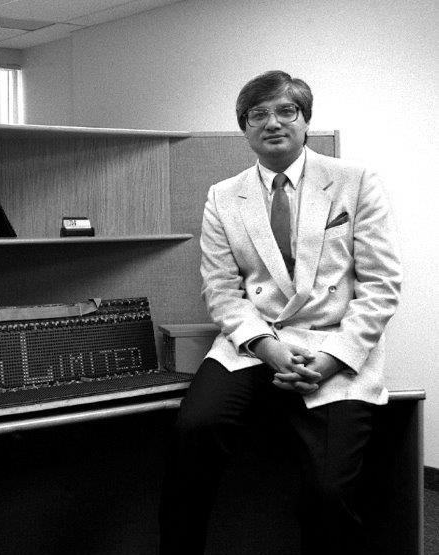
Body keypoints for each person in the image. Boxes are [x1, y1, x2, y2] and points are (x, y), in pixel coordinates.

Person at [158, 70, 402, 555]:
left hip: (333, 345)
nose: (272, 123)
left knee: (330, 491)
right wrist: (267, 347)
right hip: (255, 342)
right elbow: (222, 290)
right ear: (245, 128)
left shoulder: (356, 182)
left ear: (306, 120)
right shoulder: (223, 196)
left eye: (286, 111)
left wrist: (334, 358)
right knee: (192, 433)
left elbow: (381, 286)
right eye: (257, 114)